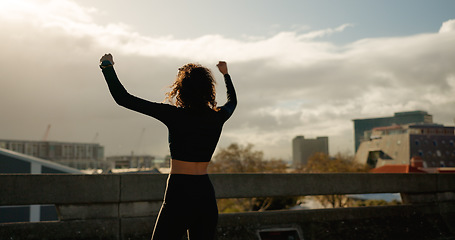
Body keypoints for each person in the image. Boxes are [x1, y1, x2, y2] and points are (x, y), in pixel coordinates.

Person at [99, 53, 237, 240]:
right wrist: (225, 74)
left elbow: (124, 99)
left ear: (181, 90)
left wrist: (107, 66)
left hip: (179, 193)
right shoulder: (217, 116)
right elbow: (232, 102)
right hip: (205, 193)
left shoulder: (173, 115)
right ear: (208, 90)